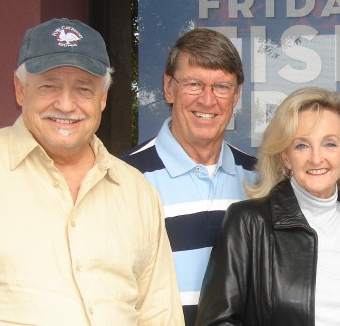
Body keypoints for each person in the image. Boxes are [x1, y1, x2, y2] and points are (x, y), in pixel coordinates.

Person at [0, 18, 183, 324]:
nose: (65, 104)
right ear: (20, 90)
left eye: (83, 89)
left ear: (102, 98)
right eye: (49, 85)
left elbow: (160, 315)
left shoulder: (136, 191)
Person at [196, 87, 340, 325]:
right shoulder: (248, 222)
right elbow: (216, 321)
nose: (316, 158)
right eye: (301, 146)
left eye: (329, 144)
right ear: (285, 156)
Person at [120, 28, 256, 325]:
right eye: (193, 84)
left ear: (236, 95)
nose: (207, 101)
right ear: (169, 87)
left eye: (221, 86)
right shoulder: (122, 177)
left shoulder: (261, 180)